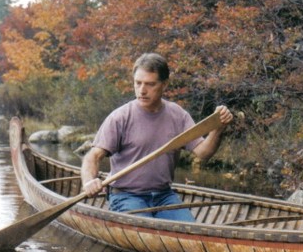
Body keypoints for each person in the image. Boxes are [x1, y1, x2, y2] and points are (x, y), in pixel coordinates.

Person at [81, 52, 233, 221]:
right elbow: (92, 156)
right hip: (127, 195)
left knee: (192, 232)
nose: (142, 90)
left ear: (164, 85)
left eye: (150, 84)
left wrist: (217, 129)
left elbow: (203, 153)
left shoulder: (178, 115)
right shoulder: (120, 117)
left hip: (164, 195)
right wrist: (89, 181)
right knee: (145, 226)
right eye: (138, 83)